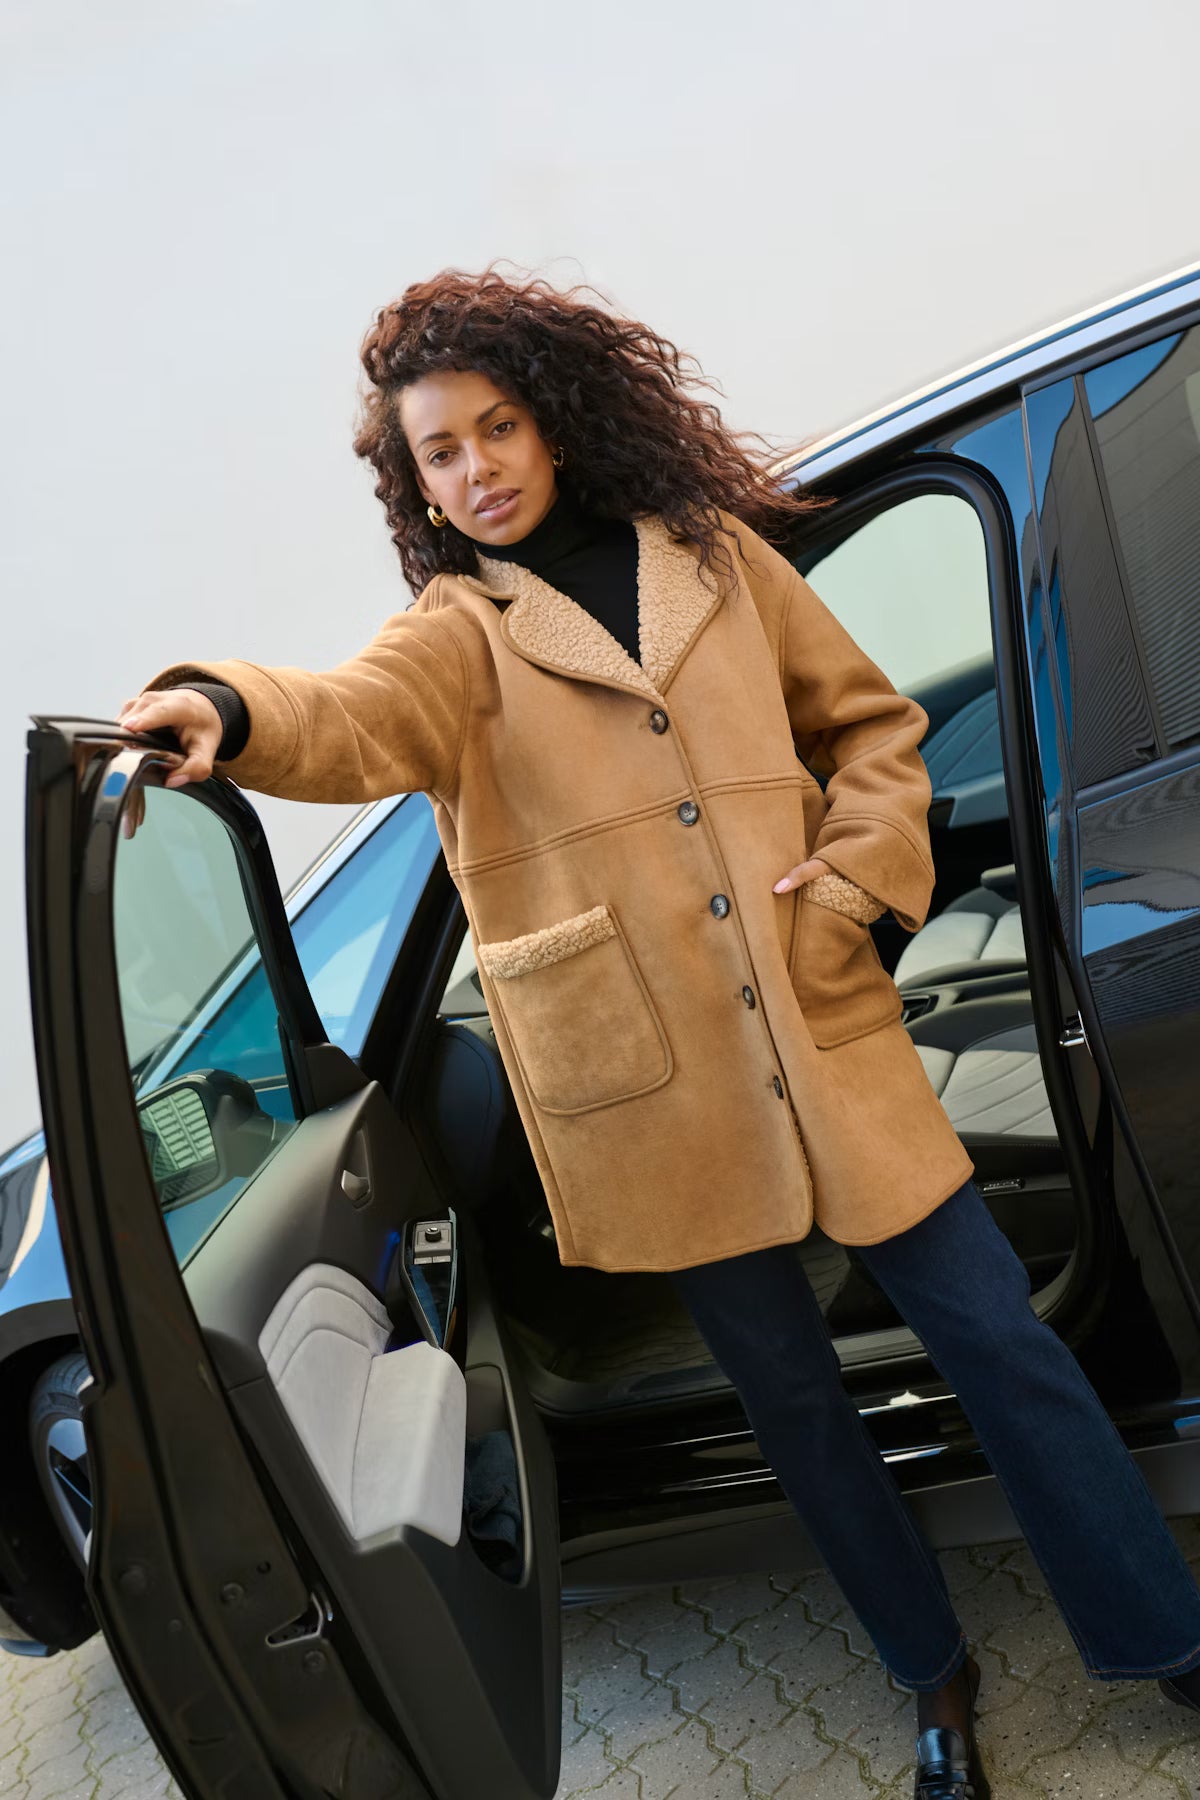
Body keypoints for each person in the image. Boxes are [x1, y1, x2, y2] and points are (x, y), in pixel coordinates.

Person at [117, 266, 1200, 1800]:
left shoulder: (713, 558)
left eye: (498, 428)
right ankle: (929, 1675)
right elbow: (346, 713)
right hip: (659, 1093)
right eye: (441, 451)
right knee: (797, 1408)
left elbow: (874, 734)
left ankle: (1160, 1632)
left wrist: (855, 882)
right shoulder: (457, 636)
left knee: (999, 1340)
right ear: (412, 482)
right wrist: (224, 705)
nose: (478, 466)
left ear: (554, 426)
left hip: (822, 1025)